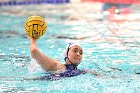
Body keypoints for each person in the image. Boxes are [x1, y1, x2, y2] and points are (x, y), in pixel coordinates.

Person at [28, 37, 98, 80]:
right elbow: (34, 51)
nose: (78, 54)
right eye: (75, 50)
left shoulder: (82, 71)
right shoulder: (57, 66)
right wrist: (33, 39)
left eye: (81, 53)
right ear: (66, 55)